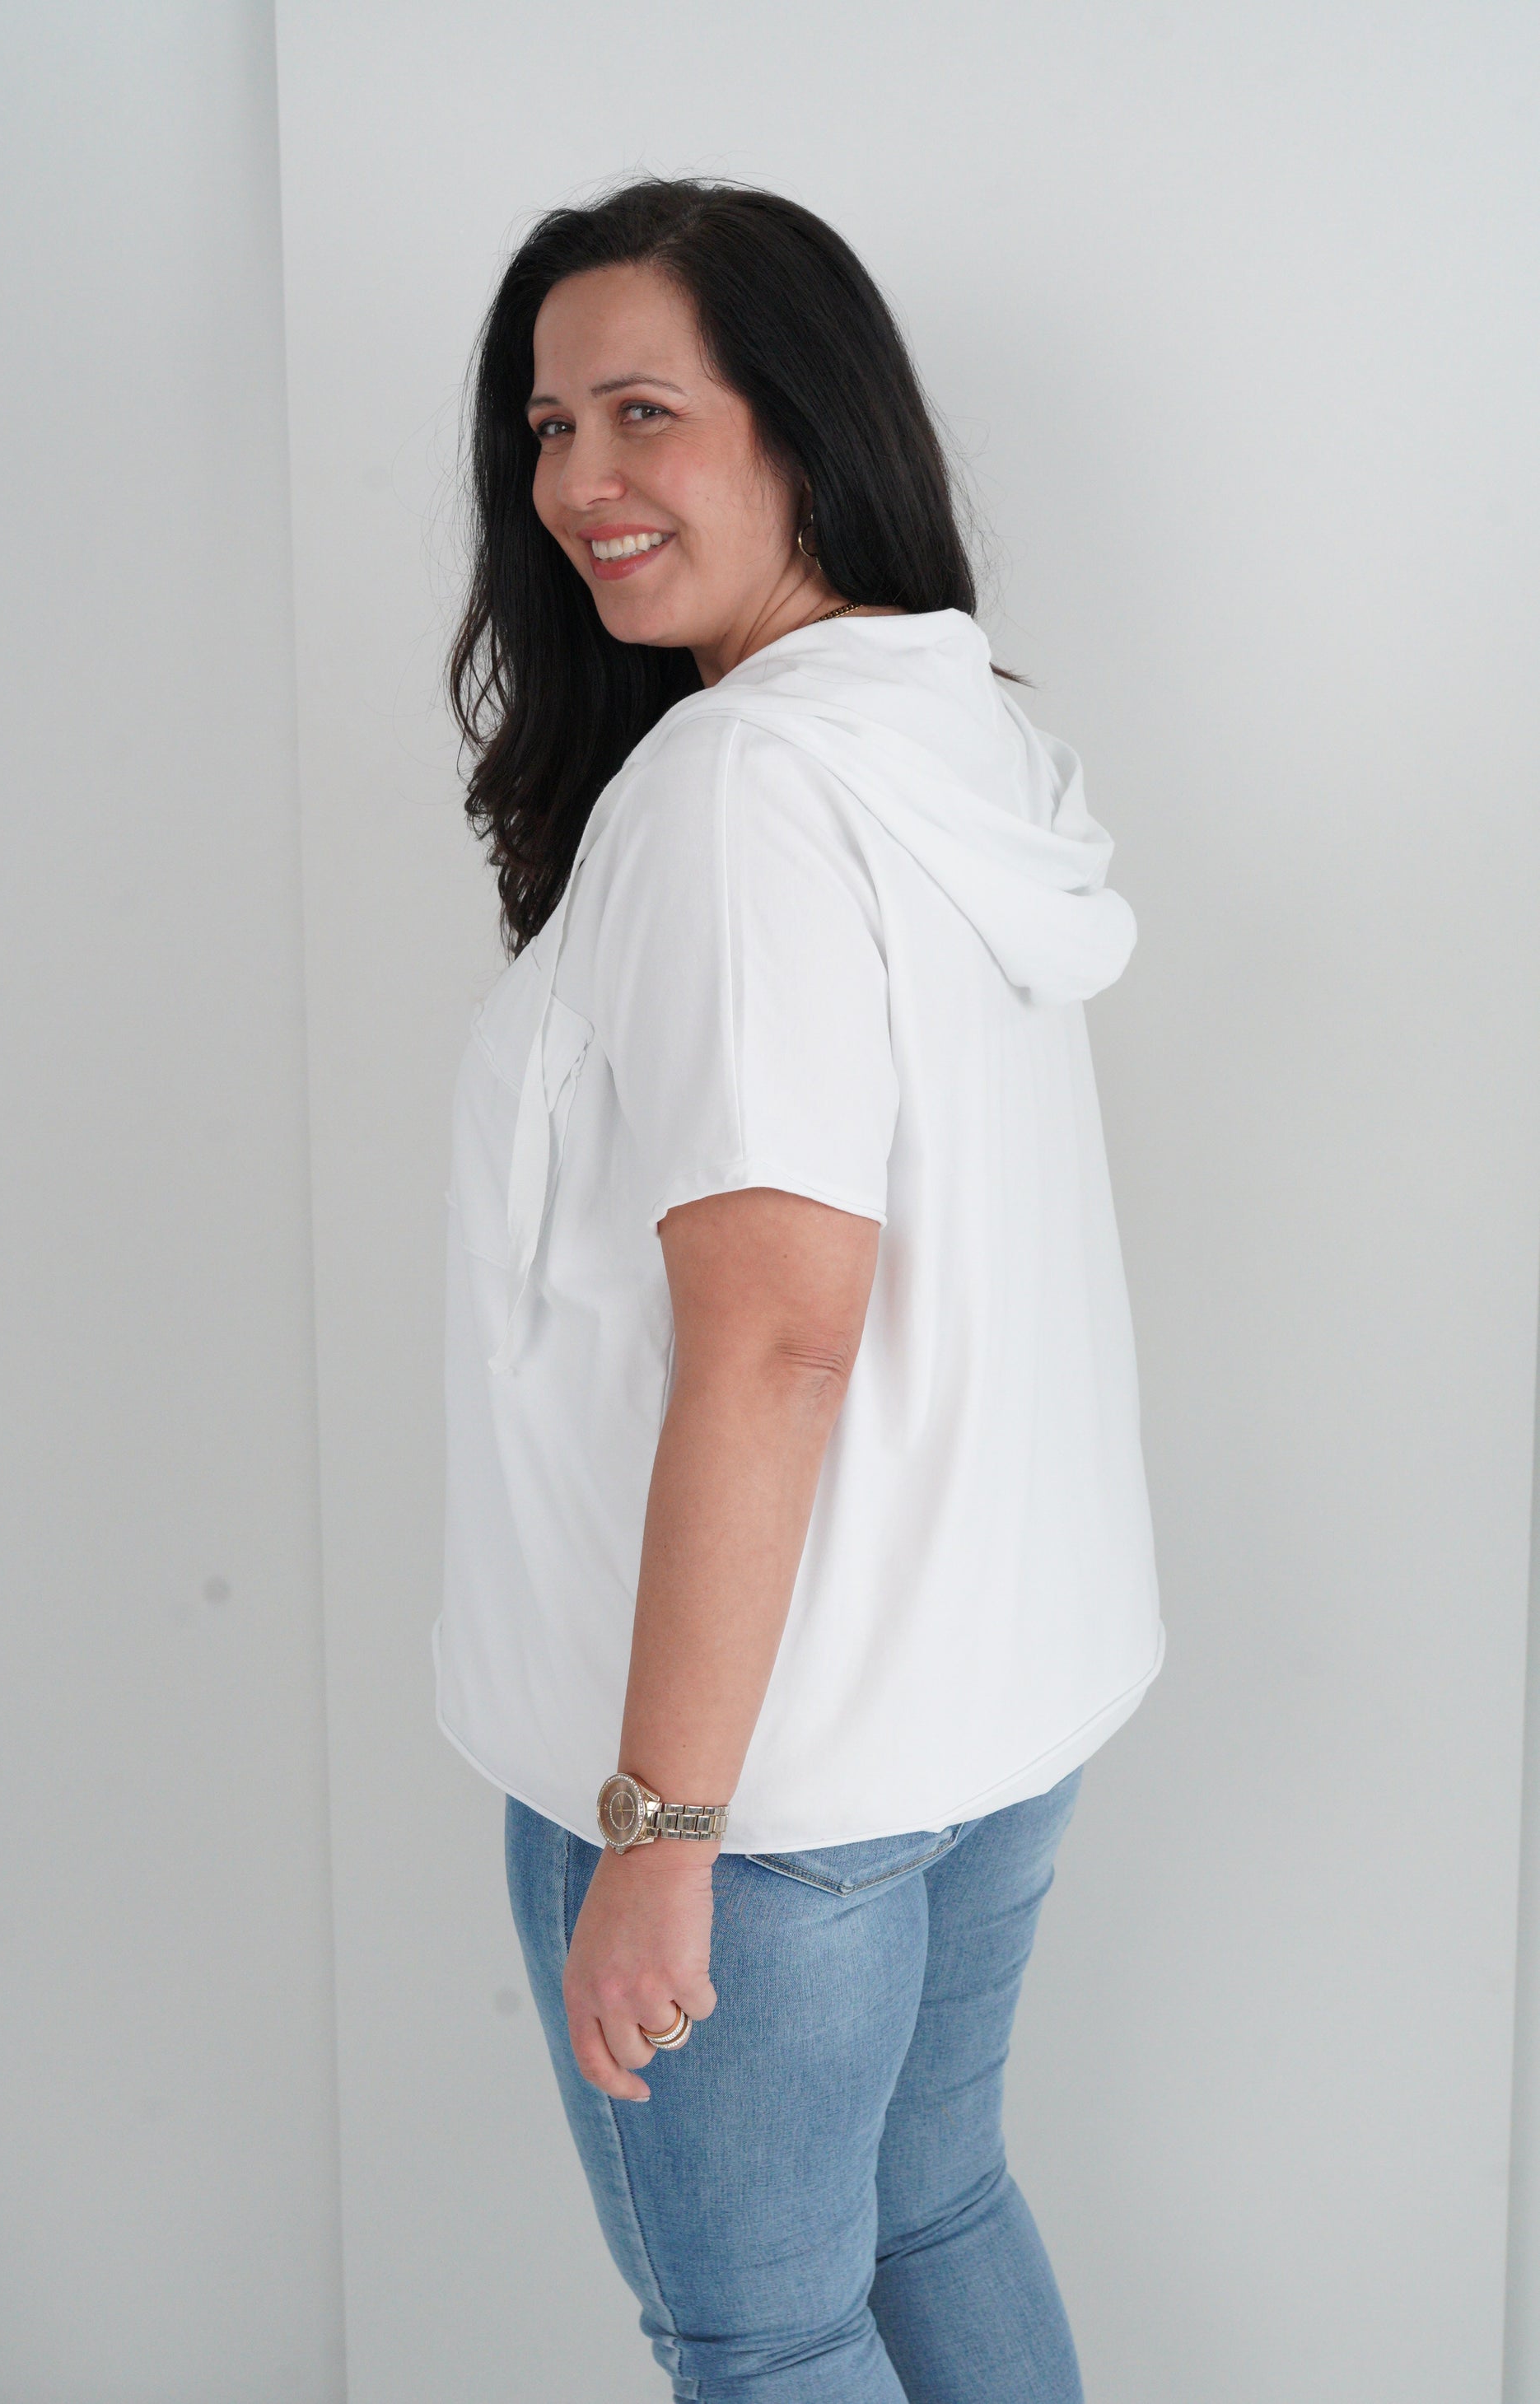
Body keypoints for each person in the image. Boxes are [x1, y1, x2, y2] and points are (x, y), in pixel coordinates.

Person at [438, 175, 1164, 2403]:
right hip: (978, 1709)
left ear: (804, 425)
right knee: (929, 2207)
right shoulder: (947, 730)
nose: (578, 481)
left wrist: (661, 1831)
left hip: (760, 1787)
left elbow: (772, 1335)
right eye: (548, 427)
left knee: (761, 2338)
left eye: (642, 411)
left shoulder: (744, 788)